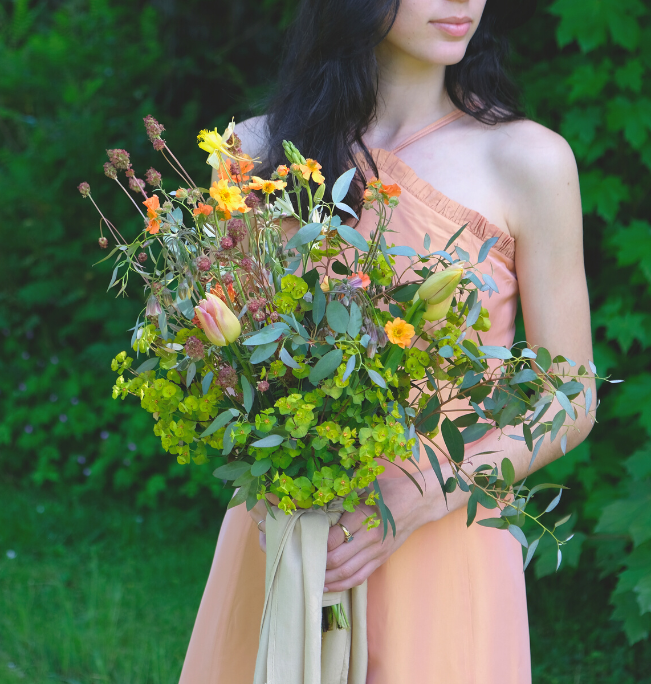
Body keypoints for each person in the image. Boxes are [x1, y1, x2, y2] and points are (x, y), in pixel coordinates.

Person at [180, 1, 594, 681]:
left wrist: (418, 495)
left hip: (444, 533)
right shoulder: (253, 155)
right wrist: (279, 470)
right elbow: (219, 353)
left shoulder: (528, 159)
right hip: (291, 526)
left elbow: (569, 396)